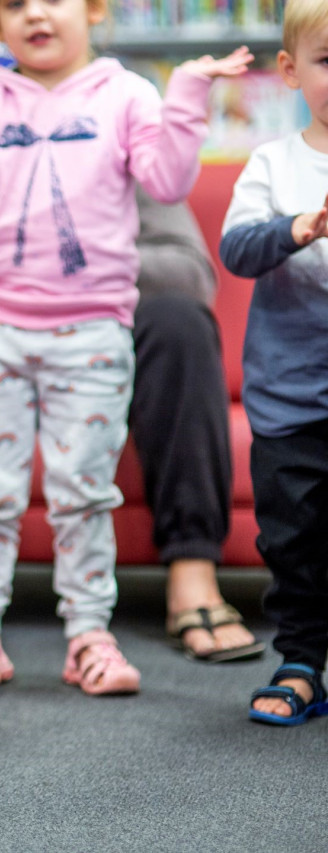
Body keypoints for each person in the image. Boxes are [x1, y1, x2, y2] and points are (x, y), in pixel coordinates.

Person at [0, 0, 252, 694]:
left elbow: (169, 181)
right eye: (13, 4)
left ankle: (91, 635)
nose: (34, 14)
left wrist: (187, 95)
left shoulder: (126, 95)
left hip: (93, 328)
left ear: (95, 9)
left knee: (84, 493)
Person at [0, 194, 264, 660]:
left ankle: (193, 575)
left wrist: (70, 263)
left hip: (105, 335)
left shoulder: (132, 165)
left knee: (181, 322)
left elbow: (190, 275)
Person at [220, 0, 328, 726]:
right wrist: (296, 228)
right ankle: (301, 659)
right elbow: (236, 248)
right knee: (292, 537)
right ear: (290, 70)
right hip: (290, 399)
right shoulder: (273, 163)